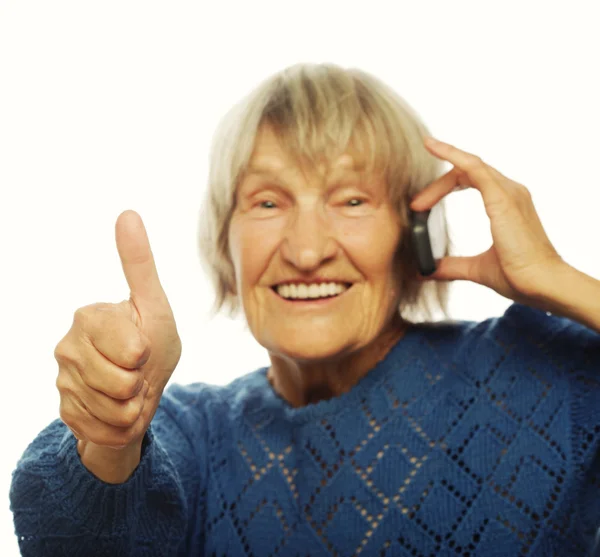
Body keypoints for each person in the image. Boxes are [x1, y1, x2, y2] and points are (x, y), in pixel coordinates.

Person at [9, 63, 600, 556]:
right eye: (268, 202)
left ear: (411, 234)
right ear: (226, 245)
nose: (307, 250)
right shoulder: (190, 432)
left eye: (352, 199)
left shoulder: (545, 372)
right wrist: (111, 433)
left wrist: (559, 282)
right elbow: (72, 539)